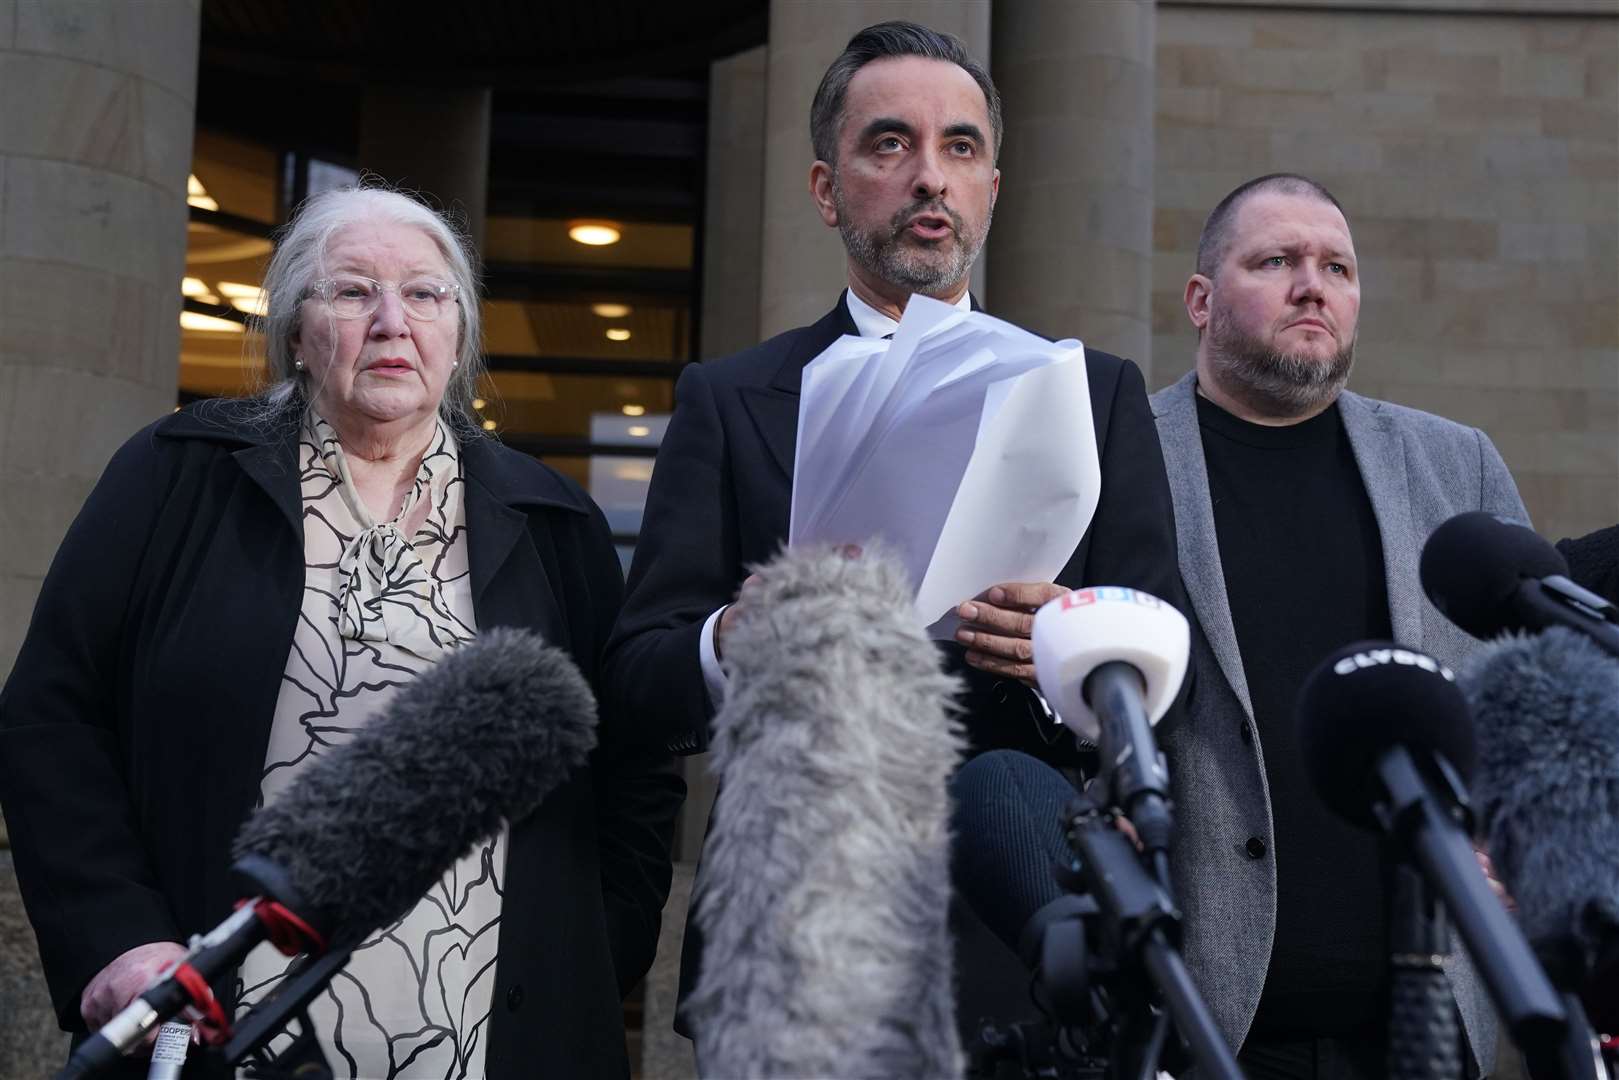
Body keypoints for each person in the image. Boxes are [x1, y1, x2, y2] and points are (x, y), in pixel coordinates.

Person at [0, 187, 682, 1079]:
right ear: (295, 330)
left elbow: (635, 766)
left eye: (426, 295)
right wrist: (118, 940)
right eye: (352, 292)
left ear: (459, 335)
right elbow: (53, 718)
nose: (392, 322)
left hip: (492, 1034)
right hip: (219, 1029)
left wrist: (588, 955)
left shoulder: (555, 520)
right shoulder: (177, 476)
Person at [600, 21, 1183, 1036]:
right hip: (793, 942)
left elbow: (1172, 667)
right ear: (826, 189)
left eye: (959, 147)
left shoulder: (1093, 394)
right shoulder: (730, 399)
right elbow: (638, 676)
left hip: (1026, 928)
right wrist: (728, 641)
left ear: (991, 187)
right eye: (888, 145)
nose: (929, 176)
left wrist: (1074, 643)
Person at [1149, 173, 1523, 1078]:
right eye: (1275, 261)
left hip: (1427, 1018)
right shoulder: (1120, 455)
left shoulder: (1454, 464)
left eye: (1336, 268)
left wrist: (1516, 842)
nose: (1312, 284)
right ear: (1199, 300)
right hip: (1211, 1016)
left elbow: (1530, 695)